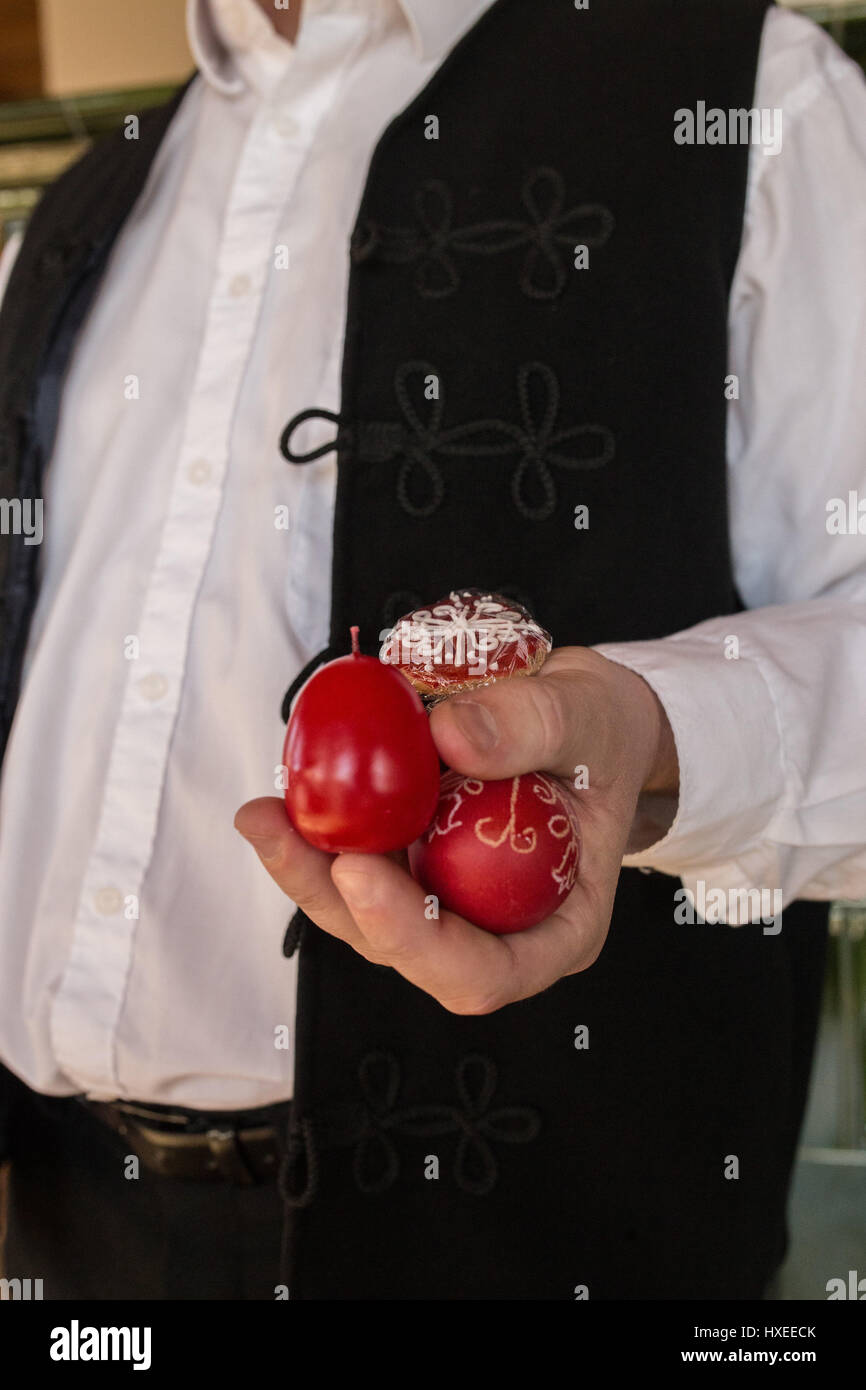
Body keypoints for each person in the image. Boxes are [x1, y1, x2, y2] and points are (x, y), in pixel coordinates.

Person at [0, 0, 864, 1301]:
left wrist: (655, 731)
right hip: (70, 1233)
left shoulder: (754, 92)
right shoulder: (82, 203)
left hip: (535, 1244)